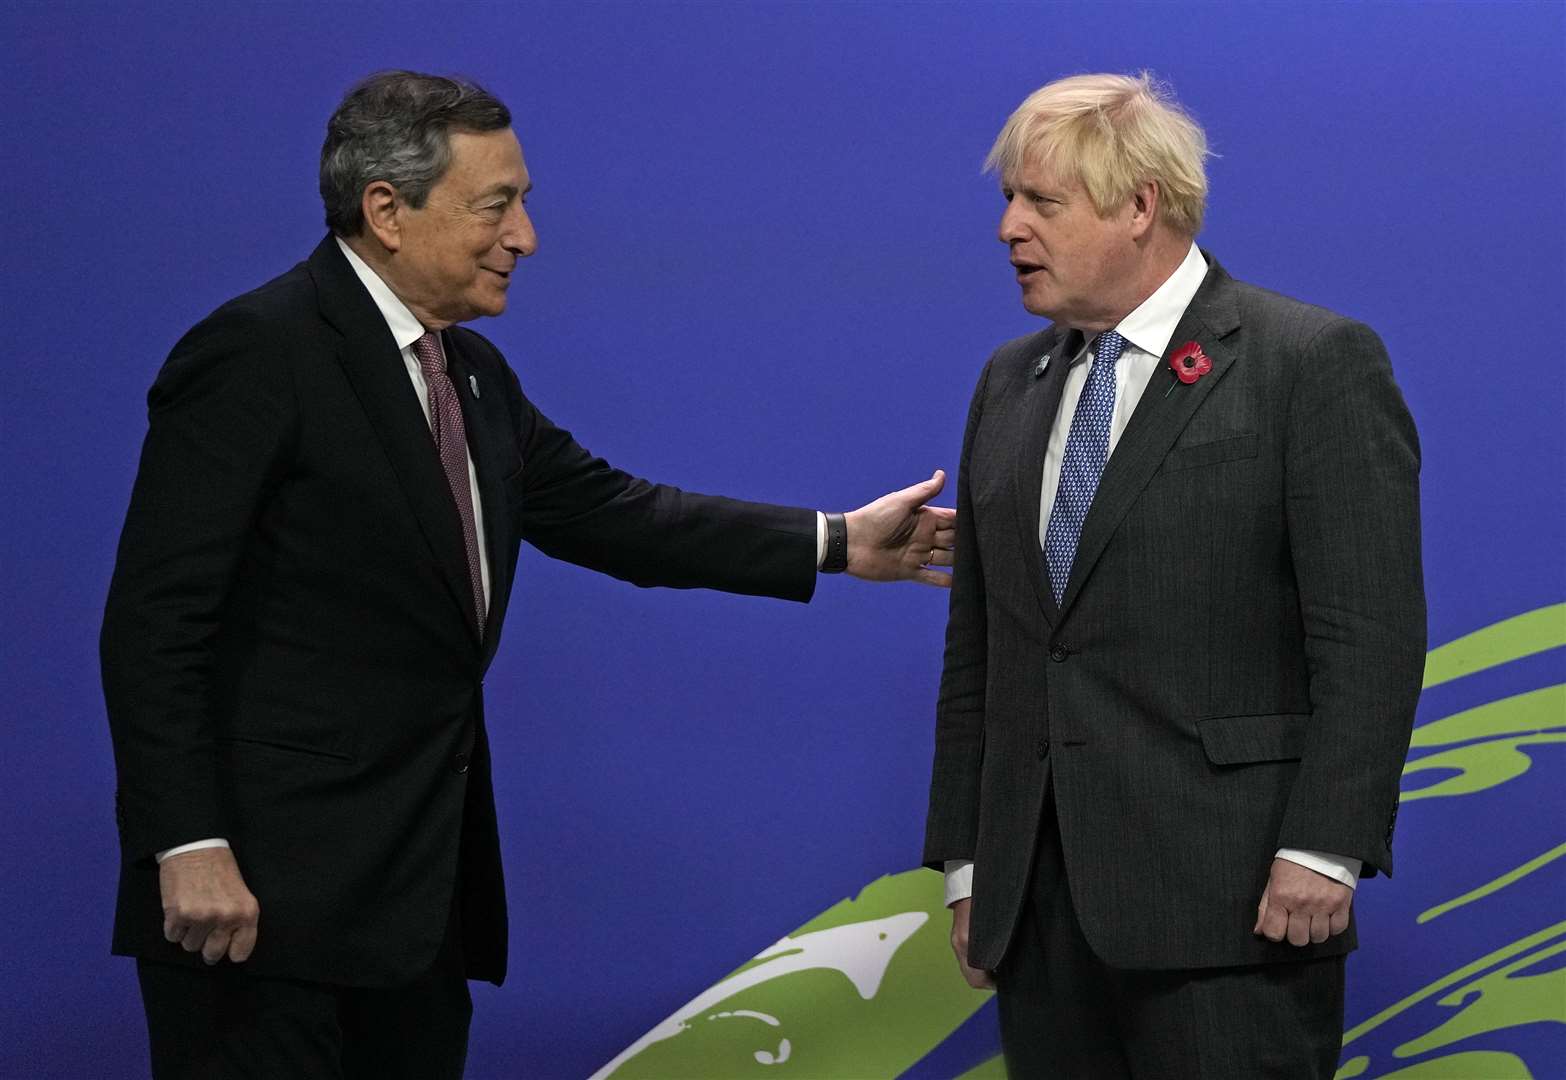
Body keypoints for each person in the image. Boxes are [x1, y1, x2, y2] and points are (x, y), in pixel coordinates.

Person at [101, 70, 954, 1079]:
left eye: (524, 202)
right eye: (497, 205)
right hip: (257, 909)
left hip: (414, 912)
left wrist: (838, 542)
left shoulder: (471, 376)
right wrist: (186, 841)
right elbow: (155, 622)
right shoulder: (258, 351)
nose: (526, 237)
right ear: (388, 212)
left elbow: (619, 515)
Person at [922, 72, 1425, 1077]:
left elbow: (1368, 634)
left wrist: (1326, 846)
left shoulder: (1309, 363)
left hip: (1237, 909)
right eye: (1008, 201)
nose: (1009, 228)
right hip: (1041, 917)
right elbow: (985, 644)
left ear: (1140, 205)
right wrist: (971, 861)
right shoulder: (1006, 384)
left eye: (1042, 203)